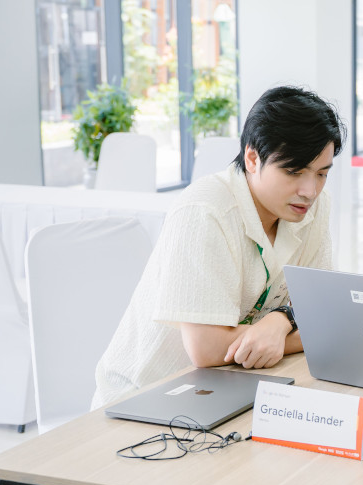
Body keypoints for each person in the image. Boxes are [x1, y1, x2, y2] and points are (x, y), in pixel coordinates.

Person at [92, 86, 345, 408]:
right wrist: (290, 332)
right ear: (252, 158)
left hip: (231, 385)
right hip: (146, 397)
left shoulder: (314, 207)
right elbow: (207, 348)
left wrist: (279, 322)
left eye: (322, 173)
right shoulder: (205, 210)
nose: (310, 190)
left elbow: (324, 313)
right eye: (294, 171)